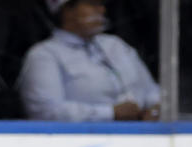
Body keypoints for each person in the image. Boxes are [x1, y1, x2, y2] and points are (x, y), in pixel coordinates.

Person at [17, 0, 160, 121]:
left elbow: (151, 90)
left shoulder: (116, 45)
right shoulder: (45, 55)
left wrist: (154, 108)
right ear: (67, 10)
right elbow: (46, 111)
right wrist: (110, 113)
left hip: (143, 138)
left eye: (101, 4)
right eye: (93, 4)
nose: (102, 10)